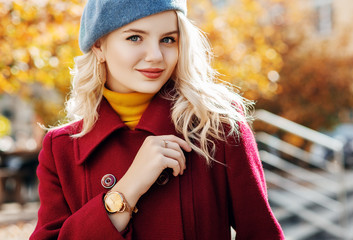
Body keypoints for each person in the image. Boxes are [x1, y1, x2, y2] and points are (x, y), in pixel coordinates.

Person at [30, 0, 285, 239]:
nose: (155, 55)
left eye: (168, 39)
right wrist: (126, 190)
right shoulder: (61, 148)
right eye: (134, 37)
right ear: (98, 46)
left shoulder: (217, 125)